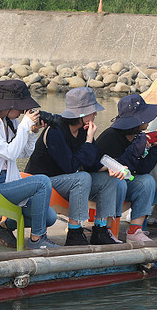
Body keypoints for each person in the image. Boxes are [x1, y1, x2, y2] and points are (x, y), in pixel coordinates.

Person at [24, 87, 124, 246]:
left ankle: (101, 230)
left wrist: (108, 168)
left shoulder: (83, 131)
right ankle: (75, 233)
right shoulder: (55, 131)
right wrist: (89, 140)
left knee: (108, 180)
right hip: (44, 181)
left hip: (68, 180)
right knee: (82, 178)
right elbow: (71, 167)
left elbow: (91, 162)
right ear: (81, 114)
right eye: (93, 111)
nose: (96, 114)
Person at [0, 79, 59, 249]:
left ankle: (2, 227)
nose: (22, 111)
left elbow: (23, 153)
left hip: (8, 182)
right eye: (20, 106)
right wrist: (25, 124)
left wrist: (32, 132)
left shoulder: (9, 120)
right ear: (8, 105)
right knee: (42, 182)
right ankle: (37, 239)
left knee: (49, 217)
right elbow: (9, 153)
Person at [96, 93, 157, 242]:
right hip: (105, 184)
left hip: (126, 181)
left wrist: (154, 148)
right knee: (119, 182)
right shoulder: (110, 137)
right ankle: (106, 229)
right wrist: (137, 148)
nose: (148, 121)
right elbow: (117, 165)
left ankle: (135, 230)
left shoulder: (138, 137)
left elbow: (142, 169)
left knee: (147, 180)